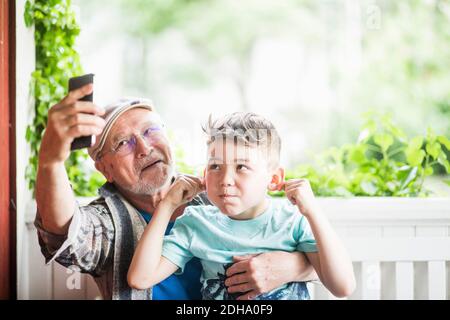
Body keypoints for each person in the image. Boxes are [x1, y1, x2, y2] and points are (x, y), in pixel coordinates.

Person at [34, 83, 318, 300]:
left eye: (150, 131)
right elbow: (65, 233)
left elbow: (325, 259)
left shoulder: (220, 193)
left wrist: (295, 266)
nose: (144, 148)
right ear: (104, 169)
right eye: (123, 143)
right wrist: (51, 159)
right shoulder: (107, 222)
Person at [127, 112, 356, 300]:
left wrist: (313, 211)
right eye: (215, 166)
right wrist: (167, 205)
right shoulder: (196, 223)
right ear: (205, 176)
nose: (225, 179)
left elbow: (343, 287)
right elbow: (140, 279)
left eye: (242, 167)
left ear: (273, 178)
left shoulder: (292, 221)